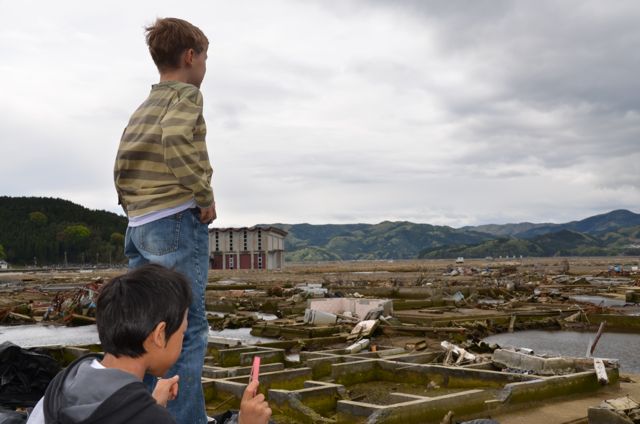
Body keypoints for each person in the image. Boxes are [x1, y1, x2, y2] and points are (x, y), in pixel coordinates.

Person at [113, 17, 215, 424]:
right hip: (174, 220)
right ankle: (186, 419)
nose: (205, 67)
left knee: (144, 329)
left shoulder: (145, 105)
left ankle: (145, 414)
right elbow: (175, 139)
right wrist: (203, 194)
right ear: (190, 57)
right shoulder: (186, 95)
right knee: (185, 328)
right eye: (205, 58)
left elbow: (123, 156)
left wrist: (129, 204)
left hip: (139, 223)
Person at [26, 264, 271, 424]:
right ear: (160, 334)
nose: (184, 339)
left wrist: (147, 404)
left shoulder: (63, 383)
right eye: (183, 332)